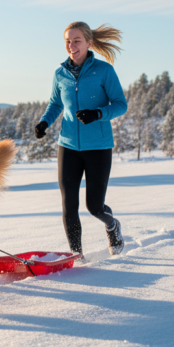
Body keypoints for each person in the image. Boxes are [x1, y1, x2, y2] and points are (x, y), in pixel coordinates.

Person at [34, 22, 128, 258]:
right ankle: (77, 256)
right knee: (69, 206)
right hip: (68, 146)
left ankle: (112, 225)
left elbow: (120, 104)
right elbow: (56, 104)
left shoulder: (104, 71)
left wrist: (97, 114)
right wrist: (45, 122)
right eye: (68, 41)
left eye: (76, 41)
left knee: (94, 207)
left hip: (98, 147)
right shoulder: (60, 74)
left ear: (89, 43)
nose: (71, 46)